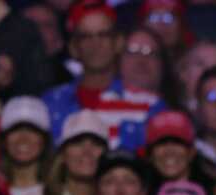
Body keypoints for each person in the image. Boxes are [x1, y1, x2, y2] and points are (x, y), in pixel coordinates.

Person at [42, 1, 165, 151]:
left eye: (103, 35)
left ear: (118, 42)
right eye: (86, 36)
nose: (96, 44)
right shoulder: (49, 104)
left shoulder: (150, 106)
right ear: (74, 47)